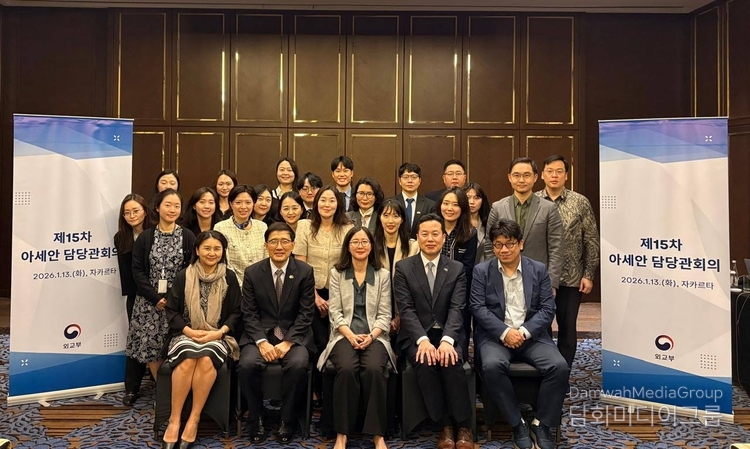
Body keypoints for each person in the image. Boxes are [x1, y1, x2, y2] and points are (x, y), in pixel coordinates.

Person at [470, 219, 569, 449]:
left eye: (510, 244)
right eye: (498, 245)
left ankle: (541, 423)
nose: (504, 250)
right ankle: (517, 424)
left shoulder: (538, 269)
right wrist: (505, 332)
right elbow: (478, 308)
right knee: (491, 366)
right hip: (496, 337)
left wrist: (523, 332)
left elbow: (547, 309)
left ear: (521, 244)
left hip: (531, 336)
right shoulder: (482, 271)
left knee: (559, 366)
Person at [393, 214, 475, 449]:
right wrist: (422, 340)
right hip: (416, 335)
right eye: (425, 234)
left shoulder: (456, 268)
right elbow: (406, 309)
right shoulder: (404, 268)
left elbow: (457, 308)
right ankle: (445, 425)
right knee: (426, 361)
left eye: (435, 234)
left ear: (444, 237)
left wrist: (448, 340)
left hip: (449, 332)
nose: (430, 239)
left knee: (451, 360)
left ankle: (464, 426)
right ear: (417, 237)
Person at [317, 226, 396, 449]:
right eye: (355, 242)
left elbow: (385, 314)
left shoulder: (382, 275)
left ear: (371, 246)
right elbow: (335, 313)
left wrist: (371, 336)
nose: (360, 246)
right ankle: (342, 433)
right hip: (344, 335)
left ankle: (377, 435)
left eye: (364, 242)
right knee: (346, 368)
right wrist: (351, 336)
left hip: (375, 336)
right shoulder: (337, 273)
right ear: (348, 247)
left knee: (374, 369)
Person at [162, 230, 242, 449]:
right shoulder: (184, 275)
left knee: (206, 359)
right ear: (197, 250)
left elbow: (237, 311)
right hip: (185, 333)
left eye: (217, 249)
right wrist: (188, 331)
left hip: (218, 335)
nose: (212, 253)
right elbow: (171, 310)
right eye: (207, 248)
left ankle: (193, 419)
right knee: (188, 359)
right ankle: (174, 420)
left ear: (223, 251)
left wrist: (219, 332)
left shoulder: (229, 277)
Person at [238, 222, 316, 444]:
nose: (279, 246)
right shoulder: (253, 272)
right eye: (273, 241)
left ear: (293, 245)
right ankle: (257, 417)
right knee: (246, 364)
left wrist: (288, 342)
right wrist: (262, 342)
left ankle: (287, 419)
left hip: (294, 336)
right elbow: (249, 313)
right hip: (260, 335)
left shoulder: (305, 272)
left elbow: (306, 313)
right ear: (266, 245)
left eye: (284, 241)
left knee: (298, 364)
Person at [125, 189, 195, 407]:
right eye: (168, 205)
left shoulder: (188, 236)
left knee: (174, 347)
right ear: (157, 207)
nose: (172, 209)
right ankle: (164, 392)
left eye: (176, 206)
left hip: (178, 304)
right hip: (148, 304)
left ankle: (174, 391)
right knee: (151, 351)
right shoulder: (145, 237)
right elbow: (137, 271)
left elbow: (191, 269)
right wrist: (155, 298)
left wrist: (173, 299)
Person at [293, 186, 354, 419]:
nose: (327, 205)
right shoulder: (304, 226)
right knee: (316, 342)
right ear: (316, 203)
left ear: (339, 204)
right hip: (310, 291)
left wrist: (334, 300)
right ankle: (315, 391)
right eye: (323, 200)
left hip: (340, 292)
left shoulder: (347, 228)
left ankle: (332, 391)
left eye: (332, 200)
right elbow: (301, 264)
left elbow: (350, 263)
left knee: (336, 341)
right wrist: (315, 297)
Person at [536, 155, 600, 367]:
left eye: (559, 171)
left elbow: (591, 239)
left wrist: (588, 274)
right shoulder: (534, 201)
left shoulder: (580, 202)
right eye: (550, 171)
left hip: (571, 277)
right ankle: (545, 369)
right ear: (542, 175)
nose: (554, 175)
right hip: (540, 276)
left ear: (566, 175)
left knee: (567, 327)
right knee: (540, 326)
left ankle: (563, 373)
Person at [484, 157, 564, 294]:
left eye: (527, 175)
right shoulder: (498, 207)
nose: (521, 180)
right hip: (503, 276)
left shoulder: (549, 209)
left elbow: (556, 248)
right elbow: (489, 245)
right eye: (516, 175)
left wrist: (551, 283)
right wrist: (493, 276)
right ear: (509, 178)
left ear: (535, 177)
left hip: (538, 279)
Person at [437, 187, 477, 359]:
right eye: (446, 203)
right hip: (431, 289)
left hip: (459, 290)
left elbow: (467, 267)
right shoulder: (432, 228)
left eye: (455, 204)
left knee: (459, 335)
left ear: (462, 208)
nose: (449, 208)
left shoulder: (470, 232)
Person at [372, 199, 419, 344]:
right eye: (386, 215)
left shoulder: (414, 247)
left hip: (407, 311)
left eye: (395, 216)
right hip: (376, 312)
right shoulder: (370, 246)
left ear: (402, 219)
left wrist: (400, 316)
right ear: (379, 218)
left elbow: (416, 287)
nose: (390, 221)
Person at [213, 185, 268, 283]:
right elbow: (225, 263)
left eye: (248, 202)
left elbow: (267, 258)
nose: (243, 207)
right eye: (238, 202)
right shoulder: (220, 228)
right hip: (232, 285)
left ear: (253, 203)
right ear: (231, 204)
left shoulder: (262, 227)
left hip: (260, 283)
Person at [114, 193, 152, 322]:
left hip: (156, 294)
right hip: (134, 295)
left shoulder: (156, 232)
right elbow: (125, 271)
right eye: (127, 213)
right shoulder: (120, 238)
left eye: (136, 211)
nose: (132, 216)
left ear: (145, 211)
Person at [390, 162, 436, 239]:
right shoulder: (390, 203)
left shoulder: (430, 205)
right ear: (399, 181)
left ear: (419, 180)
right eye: (405, 177)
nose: (410, 181)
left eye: (414, 177)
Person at [464, 182, 490, 265]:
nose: (471, 202)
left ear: (482, 201)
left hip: (483, 267)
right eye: (468, 198)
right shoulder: (457, 223)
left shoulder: (489, 222)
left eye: (476, 198)